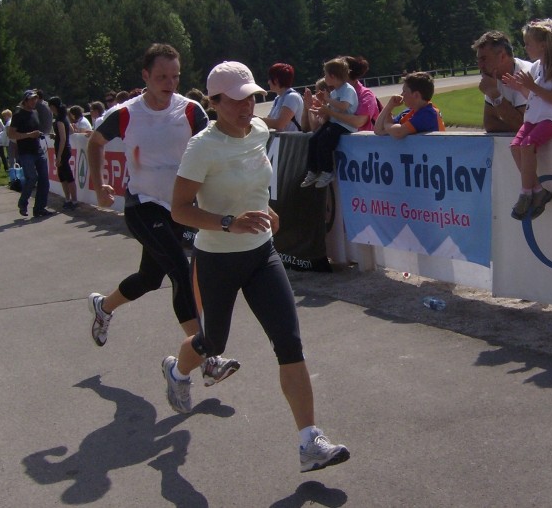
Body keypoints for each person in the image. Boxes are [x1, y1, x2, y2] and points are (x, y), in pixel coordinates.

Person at [164, 60, 350, 473]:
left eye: (251, 97)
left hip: (263, 254)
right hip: (217, 258)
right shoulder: (202, 147)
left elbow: (250, 183)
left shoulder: (262, 132)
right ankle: (178, 370)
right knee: (214, 342)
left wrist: (265, 209)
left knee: (289, 341)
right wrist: (228, 223)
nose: (247, 107)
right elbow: (180, 210)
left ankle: (310, 441)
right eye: (235, 101)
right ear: (213, 102)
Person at [86, 43, 238, 388]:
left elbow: (213, 142)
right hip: (142, 205)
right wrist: (100, 185)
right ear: (145, 76)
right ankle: (207, 357)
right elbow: (95, 143)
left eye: (175, 76)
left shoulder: (190, 110)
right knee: (180, 272)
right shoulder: (126, 113)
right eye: (161, 77)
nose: (169, 83)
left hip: (178, 208)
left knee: (149, 278)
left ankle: (104, 306)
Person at [502, 20, 552, 220]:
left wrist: (532, 86)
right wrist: (519, 87)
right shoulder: (538, 66)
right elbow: (533, 95)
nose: (526, 48)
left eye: (529, 43)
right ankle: (538, 190)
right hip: (535, 116)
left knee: (528, 145)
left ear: (543, 45)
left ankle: (525, 193)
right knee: (515, 146)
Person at [300, 58, 359, 188]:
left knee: (324, 141)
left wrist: (327, 100)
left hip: (344, 125)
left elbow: (344, 106)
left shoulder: (347, 89)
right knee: (313, 140)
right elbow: (327, 111)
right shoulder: (334, 92)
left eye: (326, 74)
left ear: (332, 76)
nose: (324, 78)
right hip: (333, 122)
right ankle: (313, 171)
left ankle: (327, 171)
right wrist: (313, 107)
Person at [472, 30, 533, 133]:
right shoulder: (493, 79)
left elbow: (523, 125)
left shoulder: (526, 74)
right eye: (478, 60)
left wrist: (495, 95)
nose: (480, 66)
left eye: (484, 59)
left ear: (502, 56)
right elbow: (490, 124)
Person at [8, 90, 53, 217]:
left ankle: (39, 208)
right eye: (32, 99)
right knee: (32, 178)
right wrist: (28, 135)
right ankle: (23, 202)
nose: (34, 101)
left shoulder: (35, 113)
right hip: (25, 152)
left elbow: (37, 129)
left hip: (37, 149)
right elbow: (11, 134)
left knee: (44, 179)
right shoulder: (18, 115)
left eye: (36, 99)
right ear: (25, 101)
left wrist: (45, 134)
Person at [374, 71, 446, 139]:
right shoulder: (408, 112)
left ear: (416, 95)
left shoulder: (428, 113)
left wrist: (387, 124)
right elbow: (378, 130)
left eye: (404, 91)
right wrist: (389, 106)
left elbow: (398, 132)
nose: (402, 95)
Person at [48, 96, 78, 209]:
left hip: (63, 149)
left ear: (53, 107)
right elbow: (70, 130)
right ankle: (68, 198)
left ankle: (73, 200)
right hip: (64, 148)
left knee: (67, 175)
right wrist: (56, 136)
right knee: (62, 175)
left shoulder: (60, 120)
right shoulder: (64, 118)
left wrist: (59, 156)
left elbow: (64, 138)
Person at [262, 63, 304, 132]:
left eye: (270, 78)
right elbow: (268, 122)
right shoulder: (278, 99)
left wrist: (254, 119)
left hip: (293, 141)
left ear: (276, 80)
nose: (268, 82)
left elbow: (279, 124)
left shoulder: (292, 97)